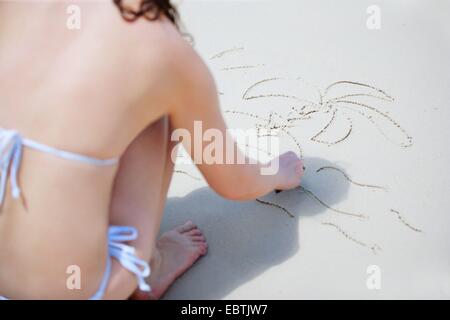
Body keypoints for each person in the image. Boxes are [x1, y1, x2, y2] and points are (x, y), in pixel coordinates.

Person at [0, 0, 303, 300]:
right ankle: (149, 268)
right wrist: (277, 173)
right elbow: (234, 182)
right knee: (156, 108)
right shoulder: (158, 47)